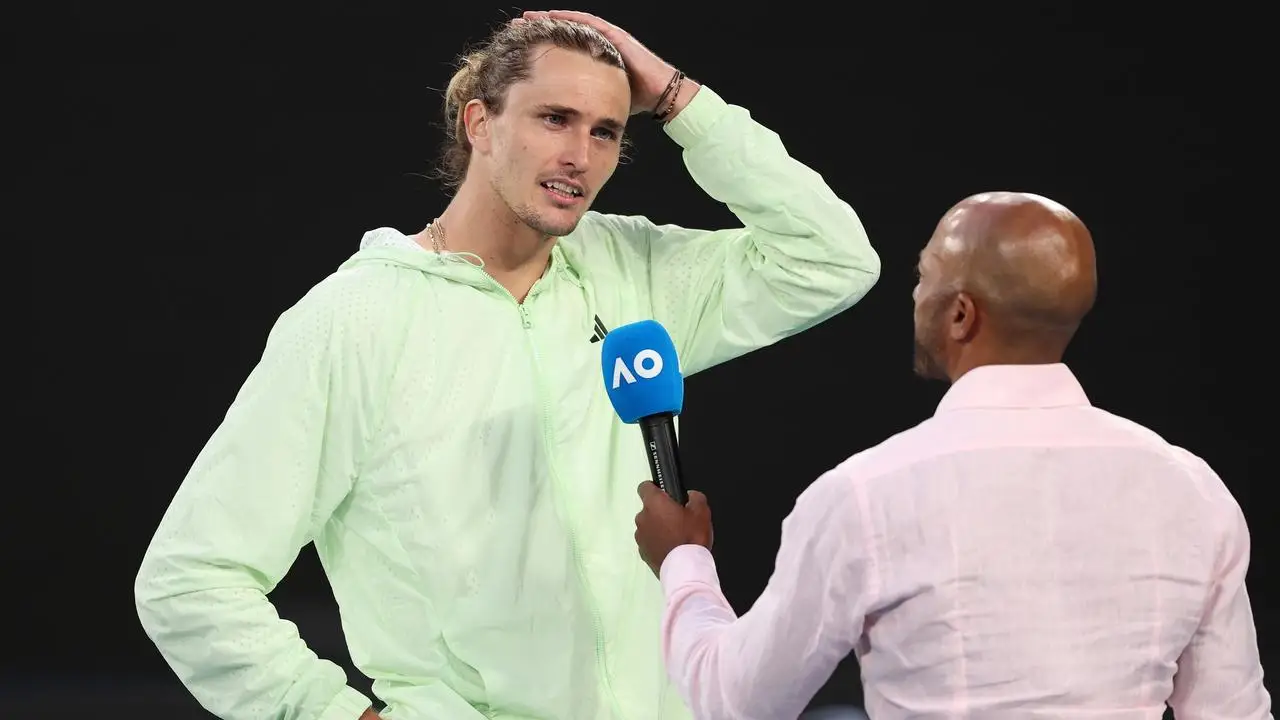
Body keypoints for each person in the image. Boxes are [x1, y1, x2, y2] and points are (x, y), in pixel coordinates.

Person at [133, 9, 882, 720]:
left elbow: (832, 260)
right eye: (554, 118)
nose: (579, 156)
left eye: (607, 131)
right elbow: (190, 580)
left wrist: (680, 98)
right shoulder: (353, 320)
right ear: (479, 122)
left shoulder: (632, 271)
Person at [634, 191, 1272, 719]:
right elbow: (1231, 711)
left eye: (923, 276)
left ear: (962, 315)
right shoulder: (1192, 489)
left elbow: (737, 699)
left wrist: (683, 561)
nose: (915, 296)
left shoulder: (868, 495)